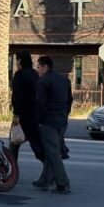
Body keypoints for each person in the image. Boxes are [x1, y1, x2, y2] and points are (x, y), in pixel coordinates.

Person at [33, 56, 73, 194]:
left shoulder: (43, 82)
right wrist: (65, 114)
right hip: (61, 120)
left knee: (53, 153)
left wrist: (38, 121)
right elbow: (69, 101)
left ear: (44, 67)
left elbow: (40, 104)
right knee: (53, 150)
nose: (37, 70)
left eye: (38, 67)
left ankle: (63, 183)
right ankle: (45, 179)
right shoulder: (64, 80)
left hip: (48, 121)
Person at [10, 50, 43, 165]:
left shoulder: (19, 75)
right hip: (35, 115)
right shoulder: (35, 74)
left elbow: (18, 96)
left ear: (19, 60)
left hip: (23, 116)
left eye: (16, 60)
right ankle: (50, 170)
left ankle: (10, 172)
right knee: (37, 146)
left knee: (14, 144)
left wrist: (16, 114)